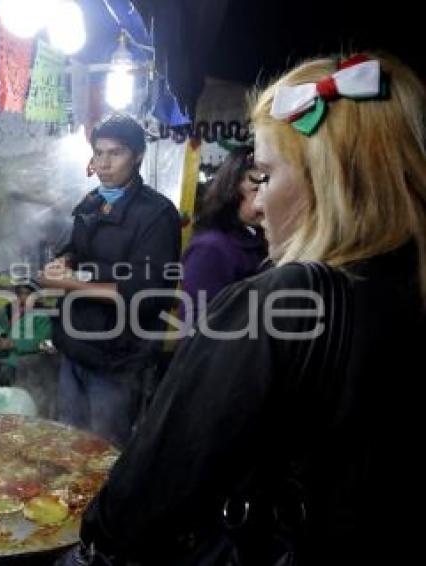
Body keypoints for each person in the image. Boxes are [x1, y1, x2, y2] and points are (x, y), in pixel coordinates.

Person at [67, 53, 426, 565]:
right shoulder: (407, 289)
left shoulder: (281, 301)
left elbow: (143, 498)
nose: (256, 204)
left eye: (264, 175)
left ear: (327, 181)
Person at [39, 113, 182, 446]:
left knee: (105, 449)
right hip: (75, 345)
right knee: (69, 443)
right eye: (99, 153)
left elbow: (145, 294)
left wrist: (67, 284)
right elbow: (75, 247)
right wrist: (64, 261)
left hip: (119, 359)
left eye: (115, 153)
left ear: (138, 156)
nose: (104, 163)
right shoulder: (93, 202)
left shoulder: (157, 215)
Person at [180, 146, 268, 323]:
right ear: (232, 191)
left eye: (269, 189)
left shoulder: (259, 239)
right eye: (256, 190)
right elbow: (198, 326)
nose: (263, 200)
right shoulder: (211, 249)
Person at [0, 280, 53, 385]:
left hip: (20, 360)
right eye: (19, 293)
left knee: (5, 373)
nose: (22, 297)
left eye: (27, 294)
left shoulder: (42, 316)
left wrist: (14, 343)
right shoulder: (7, 310)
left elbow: (46, 344)